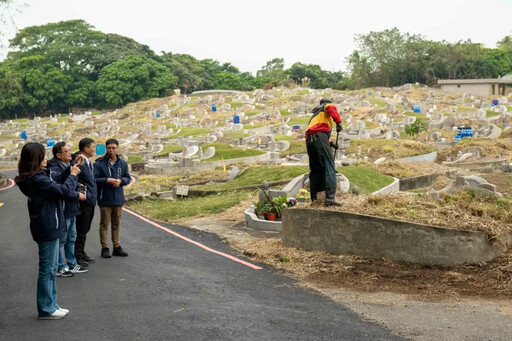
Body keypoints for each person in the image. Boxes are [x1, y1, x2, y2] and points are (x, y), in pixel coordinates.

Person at [16, 142, 82, 319]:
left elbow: (55, 184)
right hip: (47, 226)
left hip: (48, 224)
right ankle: (46, 308)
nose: (46, 158)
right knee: (47, 269)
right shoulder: (37, 180)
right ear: (36, 158)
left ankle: (51, 304)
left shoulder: (35, 178)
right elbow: (64, 191)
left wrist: (69, 170)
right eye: (43, 156)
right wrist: (74, 176)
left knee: (51, 268)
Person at [47, 142, 88, 277]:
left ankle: (71, 263)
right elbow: (63, 189)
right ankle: (61, 266)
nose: (70, 153)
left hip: (71, 207)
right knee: (62, 239)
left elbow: (71, 182)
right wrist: (77, 193)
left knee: (71, 237)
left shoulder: (67, 165)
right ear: (59, 155)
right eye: (66, 151)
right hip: (63, 207)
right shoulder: (54, 168)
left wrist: (78, 184)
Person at [94, 139, 131, 258]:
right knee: (104, 224)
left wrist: (121, 181)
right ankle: (105, 247)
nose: (111, 150)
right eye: (109, 148)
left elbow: (127, 178)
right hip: (105, 198)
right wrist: (107, 180)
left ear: (117, 148)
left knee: (116, 224)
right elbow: (94, 179)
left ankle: (117, 246)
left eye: (114, 148)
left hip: (118, 198)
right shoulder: (99, 163)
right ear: (106, 148)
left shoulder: (123, 163)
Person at [305, 98, 343, 206]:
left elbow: (315, 131)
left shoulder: (315, 115)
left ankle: (315, 198)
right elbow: (331, 108)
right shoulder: (326, 106)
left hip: (310, 141)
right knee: (329, 165)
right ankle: (330, 198)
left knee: (316, 169)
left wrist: (330, 143)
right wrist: (338, 123)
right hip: (320, 138)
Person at [74, 138, 97, 267]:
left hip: (90, 200)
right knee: (81, 228)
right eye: (93, 147)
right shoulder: (79, 161)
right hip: (84, 201)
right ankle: (77, 255)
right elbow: (74, 178)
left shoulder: (88, 162)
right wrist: (84, 193)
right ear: (86, 148)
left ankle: (82, 252)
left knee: (86, 228)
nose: (94, 149)